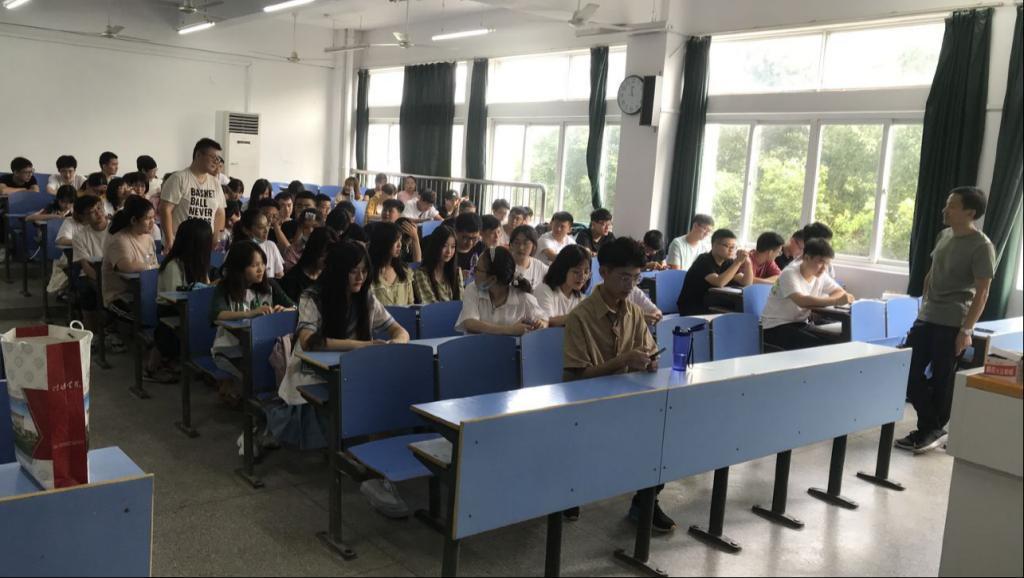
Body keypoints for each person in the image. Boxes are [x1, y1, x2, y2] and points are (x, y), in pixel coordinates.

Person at [279, 240, 410, 516]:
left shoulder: (366, 297)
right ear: (338, 271)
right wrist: (363, 346)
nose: (361, 277)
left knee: (386, 396)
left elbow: (400, 331)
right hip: (313, 372)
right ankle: (373, 470)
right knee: (374, 400)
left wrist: (394, 344)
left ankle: (376, 469)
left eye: (364, 270)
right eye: (353, 271)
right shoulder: (313, 297)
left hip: (352, 372)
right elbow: (309, 340)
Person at [562, 236, 673, 532]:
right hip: (586, 405)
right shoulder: (580, 317)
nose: (631, 285)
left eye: (636, 278)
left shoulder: (634, 312)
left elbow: (648, 352)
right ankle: (568, 487)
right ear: (604, 272)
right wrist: (623, 360)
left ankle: (646, 501)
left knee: (667, 428)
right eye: (625, 277)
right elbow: (575, 379)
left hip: (626, 399)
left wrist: (650, 362)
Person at [897, 187, 996, 454]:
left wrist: (967, 330)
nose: (945, 210)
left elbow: (983, 292)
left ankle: (928, 429)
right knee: (906, 368)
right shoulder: (944, 235)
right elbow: (932, 273)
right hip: (927, 315)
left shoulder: (982, 246)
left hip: (953, 320)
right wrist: (924, 303)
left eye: (952, 206)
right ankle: (932, 428)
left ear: (970, 213)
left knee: (942, 378)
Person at [209, 241, 295, 384]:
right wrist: (250, 313)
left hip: (263, 348)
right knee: (255, 379)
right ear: (239, 268)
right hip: (232, 350)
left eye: (262, 264)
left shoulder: (270, 285)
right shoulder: (225, 287)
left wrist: (286, 310)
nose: (260, 269)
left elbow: (294, 307)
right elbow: (217, 314)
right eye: (254, 265)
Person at [760, 239, 853, 351]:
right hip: (774, 327)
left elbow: (839, 292)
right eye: (821, 262)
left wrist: (837, 298)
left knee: (836, 341)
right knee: (820, 348)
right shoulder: (789, 273)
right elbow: (801, 301)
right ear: (806, 258)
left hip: (800, 324)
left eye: (827, 264)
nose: (824, 268)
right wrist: (835, 301)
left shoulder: (820, 274)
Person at [155, 218, 214, 376]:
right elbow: (175, 299)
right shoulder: (173, 265)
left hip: (191, 309)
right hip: (171, 311)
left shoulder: (199, 263)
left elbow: (205, 288)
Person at [101, 196, 159, 346]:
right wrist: (150, 267)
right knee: (145, 319)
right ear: (134, 220)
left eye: (154, 217)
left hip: (142, 293)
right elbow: (126, 266)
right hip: (119, 295)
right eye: (148, 218)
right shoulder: (120, 240)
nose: (153, 222)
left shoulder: (148, 238)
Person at [456, 246, 546, 336]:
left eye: (477, 269)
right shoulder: (473, 289)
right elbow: (470, 323)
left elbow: (544, 320)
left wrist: (541, 323)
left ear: (493, 279)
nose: (473, 272)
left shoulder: (523, 298)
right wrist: (510, 330)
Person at [160, 138, 226, 252]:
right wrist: (169, 239)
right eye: (213, 157)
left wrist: (217, 239)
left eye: (218, 159)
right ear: (198, 155)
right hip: (180, 244)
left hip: (204, 244)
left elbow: (220, 213)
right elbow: (166, 209)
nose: (216, 162)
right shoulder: (179, 178)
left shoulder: (215, 183)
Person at [677, 229, 753, 315]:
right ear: (714, 245)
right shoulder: (703, 260)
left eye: (734, 247)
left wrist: (748, 263)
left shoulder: (729, 262)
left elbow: (746, 283)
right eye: (727, 246)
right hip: (693, 307)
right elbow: (719, 282)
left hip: (712, 304)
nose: (731, 250)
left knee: (743, 306)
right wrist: (738, 263)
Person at [70, 195, 111, 348]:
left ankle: (112, 331)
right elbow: (86, 267)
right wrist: (102, 282)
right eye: (92, 212)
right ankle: (92, 334)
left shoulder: (115, 229)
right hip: (92, 273)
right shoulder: (80, 236)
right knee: (87, 289)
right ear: (83, 217)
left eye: (99, 208)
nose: (98, 213)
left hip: (114, 272)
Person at [280, 226, 338, 303]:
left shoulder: (329, 277)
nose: (328, 260)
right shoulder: (293, 280)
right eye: (324, 255)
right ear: (314, 252)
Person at [536, 245, 590, 326]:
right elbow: (546, 322)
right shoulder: (544, 290)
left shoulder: (581, 298)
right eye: (576, 272)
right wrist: (577, 317)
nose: (582, 277)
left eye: (586, 272)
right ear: (563, 270)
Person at [368, 221, 415, 306]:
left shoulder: (405, 271)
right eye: (395, 241)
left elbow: (411, 305)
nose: (400, 245)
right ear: (383, 242)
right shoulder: (368, 274)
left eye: (400, 240)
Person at [413, 225, 463, 304]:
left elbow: (462, 302)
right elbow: (430, 305)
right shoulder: (421, 273)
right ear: (435, 246)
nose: (449, 251)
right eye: (444, 246)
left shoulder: (456, 272)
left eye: (453, 247)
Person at [234, 208, 285, 279]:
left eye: (267, 225)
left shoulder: (270, 246)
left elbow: (280, 274)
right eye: (261, 227)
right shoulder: (237, 250)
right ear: (246, 230)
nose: (266, 230)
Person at [509, 224, 548, 289]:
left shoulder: (539, 267)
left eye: (526, 243)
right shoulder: (504, 265)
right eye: (517, 242)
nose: (521, 247)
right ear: (511, 245)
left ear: (534, 246)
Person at [454, 212, 484, 277]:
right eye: (465, 238)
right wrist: (456, 275)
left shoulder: (481, 247)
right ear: (456, 232)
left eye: (474, 238)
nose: (470, 243)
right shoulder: (448, 250)